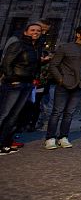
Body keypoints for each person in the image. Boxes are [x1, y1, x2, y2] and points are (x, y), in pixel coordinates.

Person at [45, 26, 81, 150]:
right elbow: (53, 65)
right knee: (57, 111)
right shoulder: (65, 47)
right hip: (64, 83)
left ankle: (63, 137)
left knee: (70, 112)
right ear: (78, 34)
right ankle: (50, 138)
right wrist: (60, 79)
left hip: (80, 84)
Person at [0, 22, 42, 154]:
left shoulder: (35, 48)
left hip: (27, 83)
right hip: (15, 83)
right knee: (4, 114)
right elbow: (6, 63)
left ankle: (4, 142)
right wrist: (12, 78)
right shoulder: (18, 44)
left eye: (38, 31)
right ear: (25, 32)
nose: (36, 32)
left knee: (15, 115)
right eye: (33, 30)